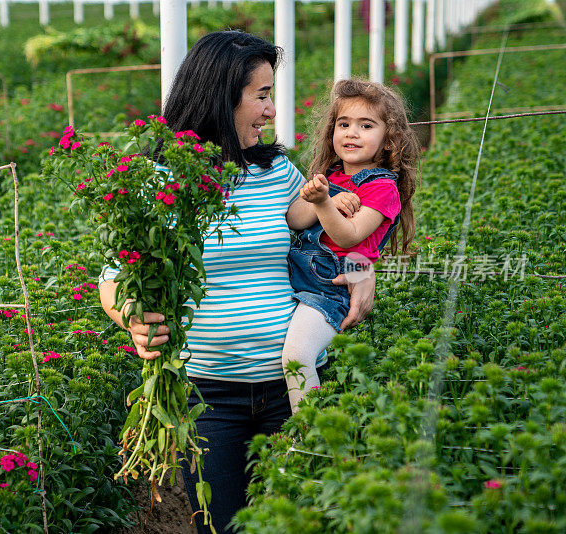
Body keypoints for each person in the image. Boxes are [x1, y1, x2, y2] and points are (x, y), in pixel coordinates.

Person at [98, 31, 376, 534]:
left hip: (291, 389)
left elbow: (327, 237)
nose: (271, 110)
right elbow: (114, 278)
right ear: (222, 97)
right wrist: (134, 319)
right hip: (207, 400)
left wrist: (362, 270)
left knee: (300, 521)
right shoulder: (160, 180)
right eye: (262, 95)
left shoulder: (278, 172)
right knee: (221, 527)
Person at [282, 79, 419, 411]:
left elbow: (348, 236)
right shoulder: (330, 175)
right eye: (343, 124)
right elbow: (295, 219)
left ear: (390, 140)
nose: (351, 133)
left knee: (296, 358)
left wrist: (325, 203)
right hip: (298, 275)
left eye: (366, 125)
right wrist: (319, 198)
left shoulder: (384, 188)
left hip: (331, 286)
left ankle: (309, 437)